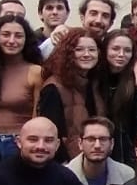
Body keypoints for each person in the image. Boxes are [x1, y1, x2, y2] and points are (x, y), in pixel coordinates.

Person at [0, 14, 44, 160]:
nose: (12, 41)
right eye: (6, 35)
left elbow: (37, 115)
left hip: (18, 143)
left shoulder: (35, 72)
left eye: (18, 36)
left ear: (26, 40)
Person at [31, 26, 106, 158]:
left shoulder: (95, 83)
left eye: (92, 50)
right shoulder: (53, 87)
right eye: (79, 49)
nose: (87, 54)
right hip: (66, 161)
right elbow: (51, 134)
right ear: (68, 53)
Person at [98, 31, 137, 160]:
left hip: (127, 152)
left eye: (127, 50)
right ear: (105, 50)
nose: (121, 54)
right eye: (115, 49)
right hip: (97, 147)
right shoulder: (94, 78)